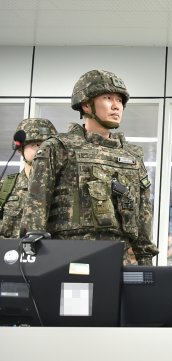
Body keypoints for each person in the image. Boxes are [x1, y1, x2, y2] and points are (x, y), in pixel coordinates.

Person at [20, 69, 158, 265]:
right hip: (68, 255)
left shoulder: (132, 156)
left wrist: (145, 262)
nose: (116, 106)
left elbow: (143, 212)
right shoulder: (58, 148)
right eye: (108, 98)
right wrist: (33, 259)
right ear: (86, 104)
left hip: (121, 258)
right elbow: (36, 205)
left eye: (119, 100)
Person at [0, 118, 57, 238]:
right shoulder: (5, 187)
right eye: (35, 144)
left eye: (46, 144)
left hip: (50, 255)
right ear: (20, 149)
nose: (41, 149)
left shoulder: (62, 184)